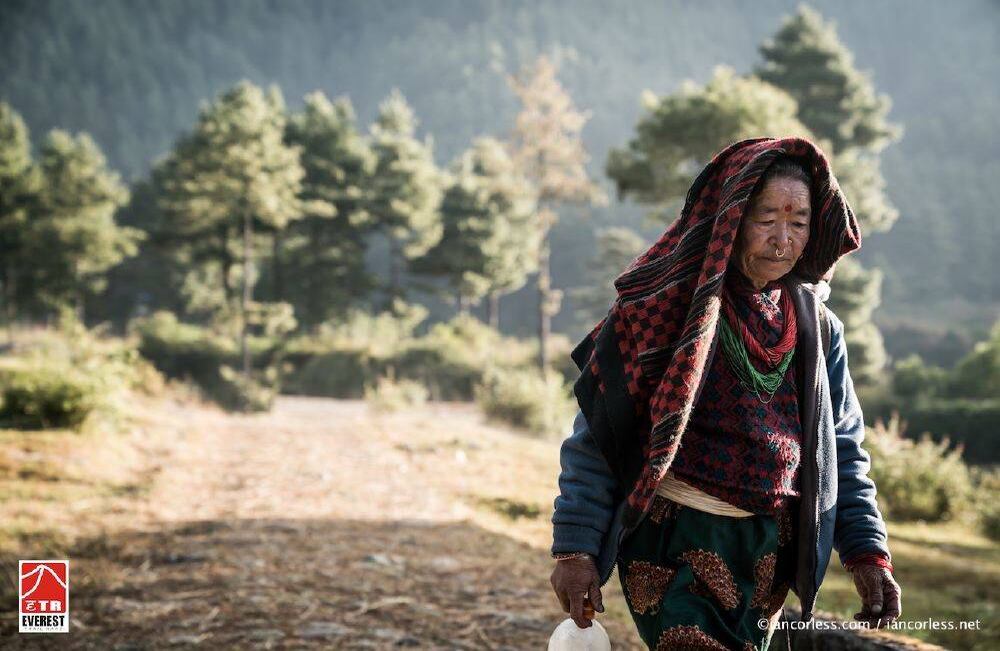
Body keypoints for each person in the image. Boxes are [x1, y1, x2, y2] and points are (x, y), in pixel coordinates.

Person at [549, 137, 901, 650]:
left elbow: (842, 450)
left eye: (799, 223)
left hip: (769, 552)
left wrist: (868, 553)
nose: (782, 240)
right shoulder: (664, 311)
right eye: (766, 219)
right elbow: (600, 436)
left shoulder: (818, 330)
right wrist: (575, 548)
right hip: (673, 539)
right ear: (729, 218)